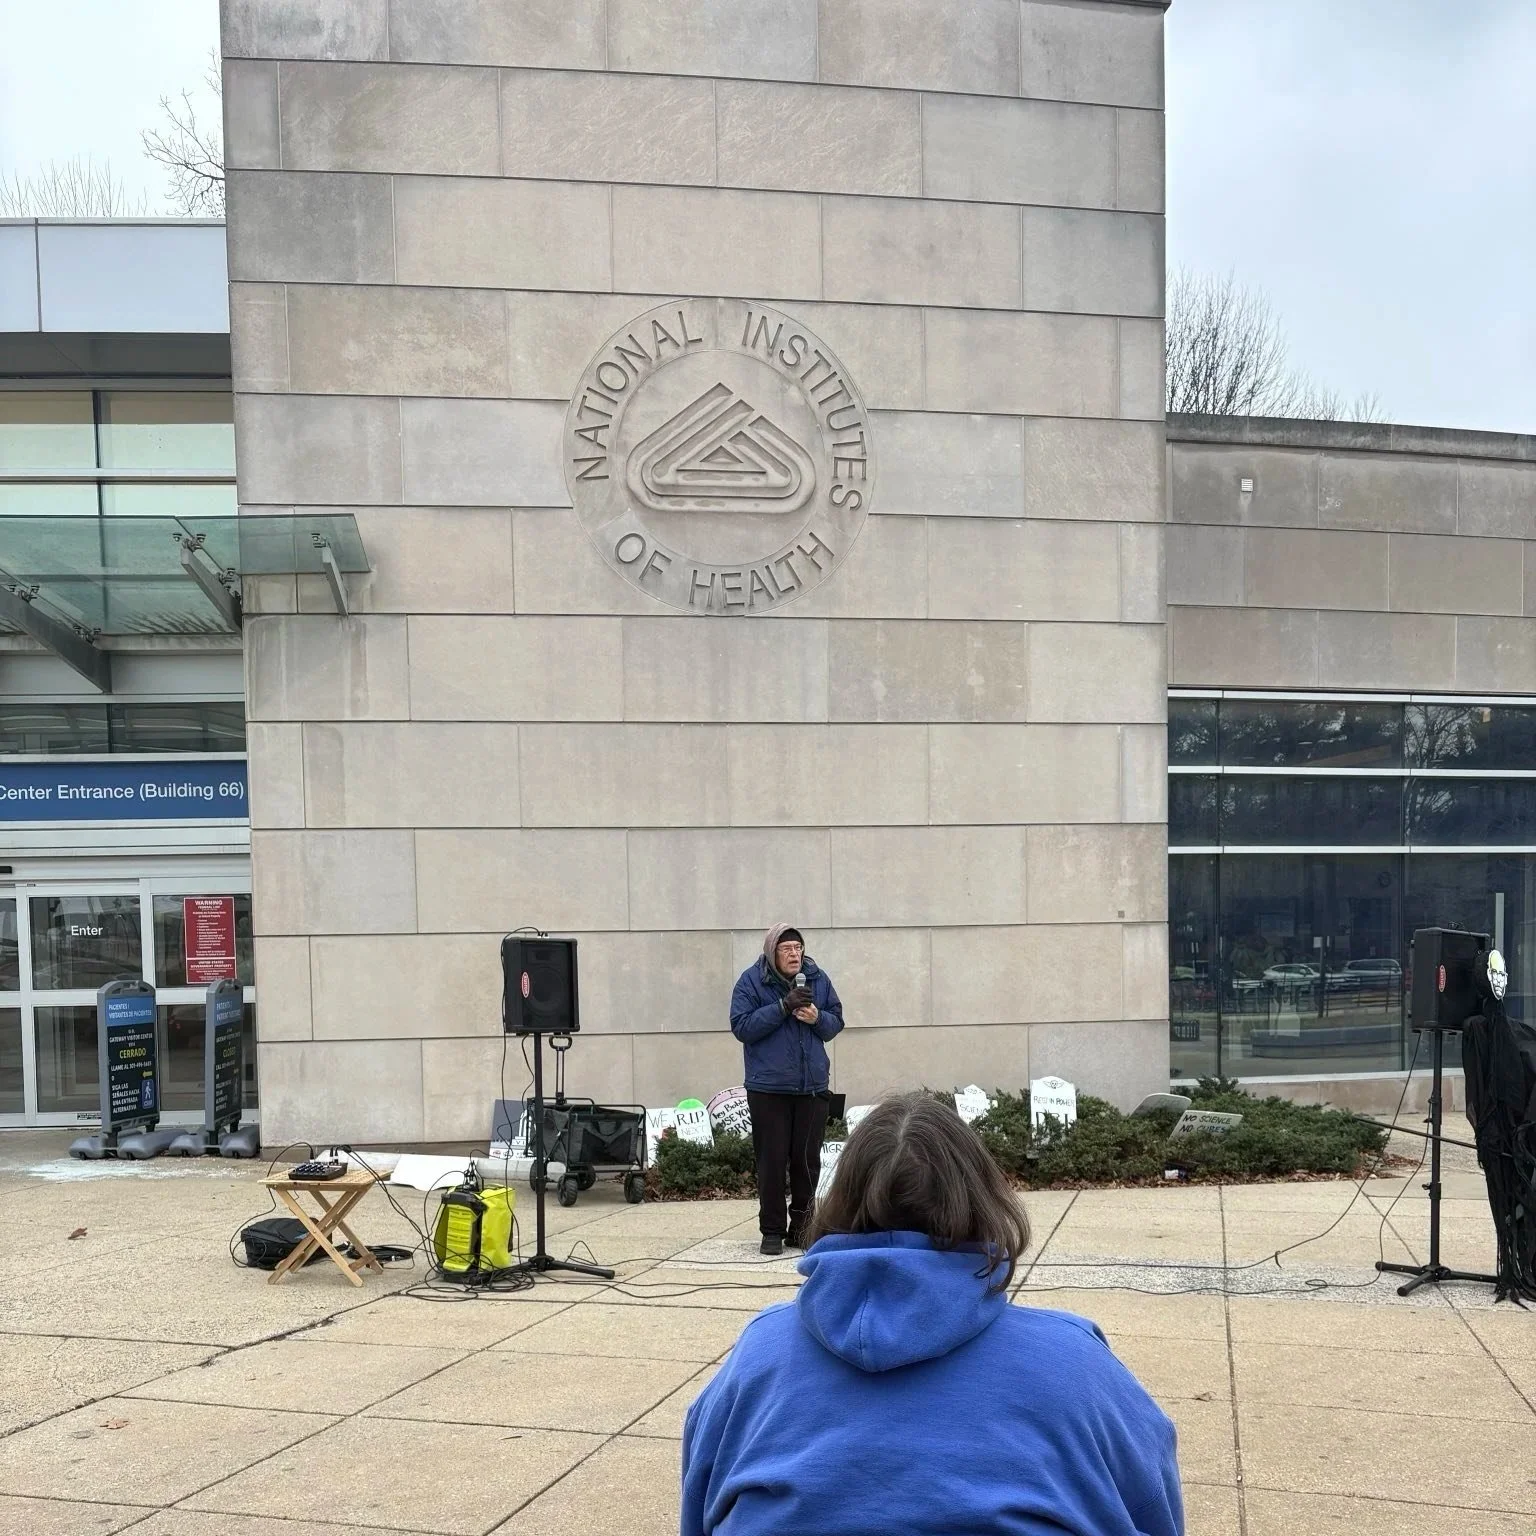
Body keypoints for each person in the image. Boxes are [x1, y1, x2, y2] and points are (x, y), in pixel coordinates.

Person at [681, 1094, 1184, 1536]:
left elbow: (699, 1507)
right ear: (983, 1200)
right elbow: (1154, 1509)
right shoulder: (1075, 1363)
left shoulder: (757, 1356)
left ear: (840, 1202)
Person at [729, 924, 844, 1256]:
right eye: (787, 949)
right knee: (772, 1161)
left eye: (798, 948)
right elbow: (742, 1027)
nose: (795, 954)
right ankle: (772, 1231)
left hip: (811, 1088)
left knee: (807, 1162)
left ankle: (803, 1228)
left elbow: (836, 1020)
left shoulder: (817, 978)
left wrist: (817, 1017)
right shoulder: (752, 981)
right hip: (770, 1090)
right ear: (772, 952)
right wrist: (782, 1006)